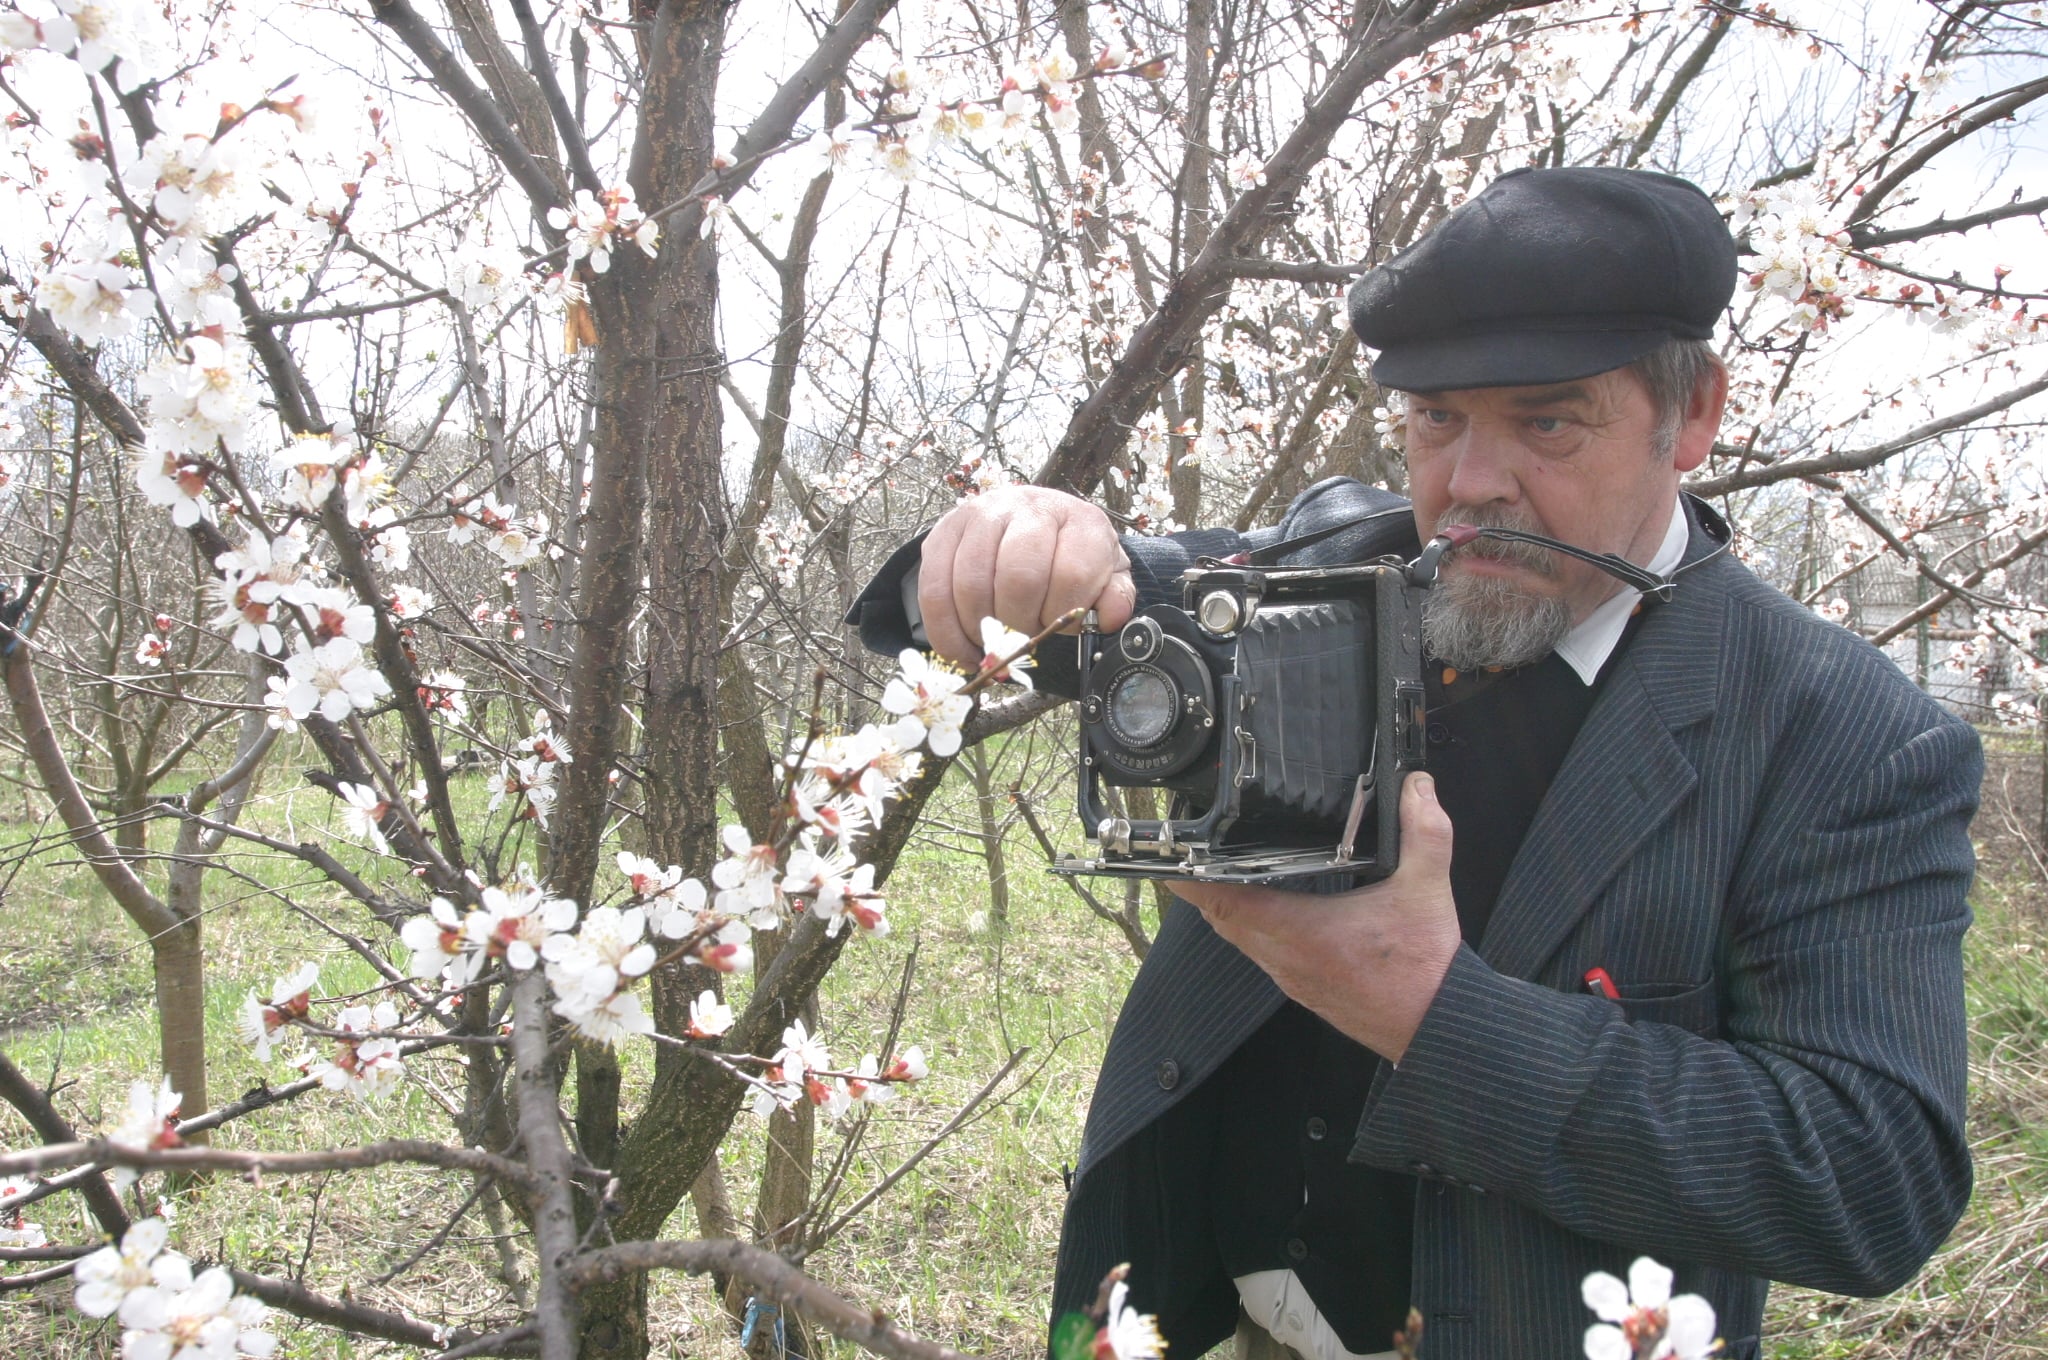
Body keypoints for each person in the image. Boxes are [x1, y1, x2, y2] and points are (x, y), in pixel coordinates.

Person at [848, 167, 1978, 1360]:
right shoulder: (1322, 575)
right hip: (1188, 1310)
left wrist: (1433, 1014)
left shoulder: (1841, 733)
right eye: (1435, 419)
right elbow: (1035, 598)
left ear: (1688, 414)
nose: (1471, 483)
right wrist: (1012, 541)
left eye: (1546, 421)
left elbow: (1870, 1181)